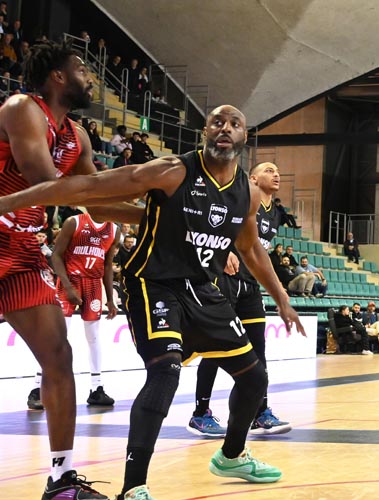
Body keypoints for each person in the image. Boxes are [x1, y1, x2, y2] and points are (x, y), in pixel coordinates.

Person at [0, 104, 307, 500]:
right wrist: (10, 202)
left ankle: (231, 455)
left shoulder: (245, 193)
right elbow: (89, 190)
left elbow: (250, 250)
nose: (225, 129)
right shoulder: (172, 170)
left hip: (201, 289)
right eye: (217, 122)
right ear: (204, 133)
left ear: (245, 137)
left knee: (255, 377)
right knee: (165, 374)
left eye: (234, 124)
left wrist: (282, 298)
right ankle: (134, 488)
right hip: (152, 283)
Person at [0, 41, 113, 499]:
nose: (91, 78)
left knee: (59, 358)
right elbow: (44, 181)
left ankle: (62, 481)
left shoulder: (79, 135)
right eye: (83, 69)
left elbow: (99, 200)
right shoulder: (23, 108)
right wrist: (134, 181)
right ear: (58, 77)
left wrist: (160, 207)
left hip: (25, 250)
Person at [189, 162, 292, 440]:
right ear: (254, 178)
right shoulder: (242, 196)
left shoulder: (276, 214)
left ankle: (261, 412)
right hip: (226, 280)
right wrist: (224, 250)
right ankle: (200, 413)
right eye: (269, 170)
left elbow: (261, 251)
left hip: (250, 285)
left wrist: (277, 285)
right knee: (216, 347)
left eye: (277, 170)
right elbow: (216, 223)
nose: (276, 173)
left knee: (259, 350)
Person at [48, 213, 121, 407]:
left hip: (93, 284)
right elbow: (56, 255)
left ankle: (97, 388)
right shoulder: (74, 222)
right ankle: (40, 388)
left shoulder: (114, 230)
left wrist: (110, 298)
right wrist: (68, 286)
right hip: (69, 281)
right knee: (58, 335)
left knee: (94, 337)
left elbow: (107, 266)